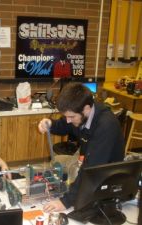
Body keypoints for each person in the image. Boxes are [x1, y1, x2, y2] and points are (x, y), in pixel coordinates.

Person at [38, 82, 125, 212]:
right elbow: (66, 124)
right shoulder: (82, 114)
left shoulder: (106, 126)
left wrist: (65, 202)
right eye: (66, 116)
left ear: (86, 109)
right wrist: (51, 124)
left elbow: (91, 169)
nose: (68, 120)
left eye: (71, 116)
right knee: (58, 164)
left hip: (104, 177)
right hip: (87, 159)